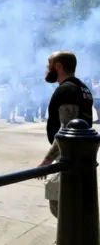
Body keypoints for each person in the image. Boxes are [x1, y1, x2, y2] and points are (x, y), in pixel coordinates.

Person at [37, 51, 93, 231]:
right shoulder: (83, 88)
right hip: (83, 156)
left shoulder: (66, 90)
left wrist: (47, 159)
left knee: (58, 202)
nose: (47, 67)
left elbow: (67, 130)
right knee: (71, 202)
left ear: (58, 66)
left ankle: (72, 238)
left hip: (69, 156)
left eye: (49, 63)